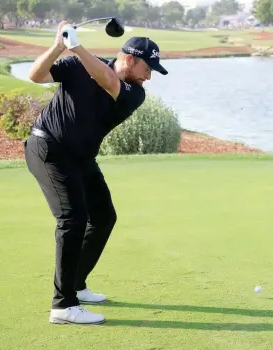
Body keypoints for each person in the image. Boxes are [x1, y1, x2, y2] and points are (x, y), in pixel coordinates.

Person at [24, 21, 168, 325]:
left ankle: (75, 283)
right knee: (72, 219)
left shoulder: (133, 92)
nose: (149, 75)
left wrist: (76, 46)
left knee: (103, 216)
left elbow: (107, 81)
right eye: (147, 67)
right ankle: (63, 305)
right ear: (129, 59)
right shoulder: (78, 64)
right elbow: (35, 75)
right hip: (48, 147)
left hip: (80, 156)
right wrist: (58, 47)